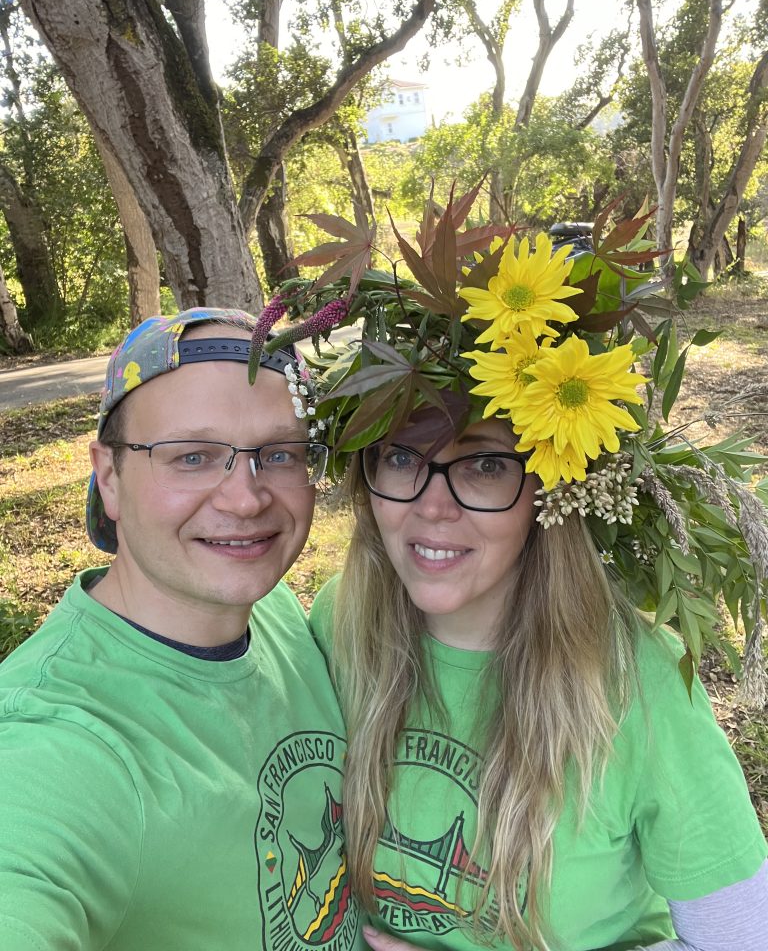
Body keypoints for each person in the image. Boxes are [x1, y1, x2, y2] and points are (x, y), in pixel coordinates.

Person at [268, 203, 768, 951]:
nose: (432, 506)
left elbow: (740, 938)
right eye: (400, 457)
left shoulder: (637, 684)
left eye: (483, 464)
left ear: (550, 490)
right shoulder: (341, 622)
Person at [0, 308, 363, 951]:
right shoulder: (58, 743)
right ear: (108, 476)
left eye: (280, 454)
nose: (245, 500)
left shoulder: (273, 610)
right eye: (192, 457)